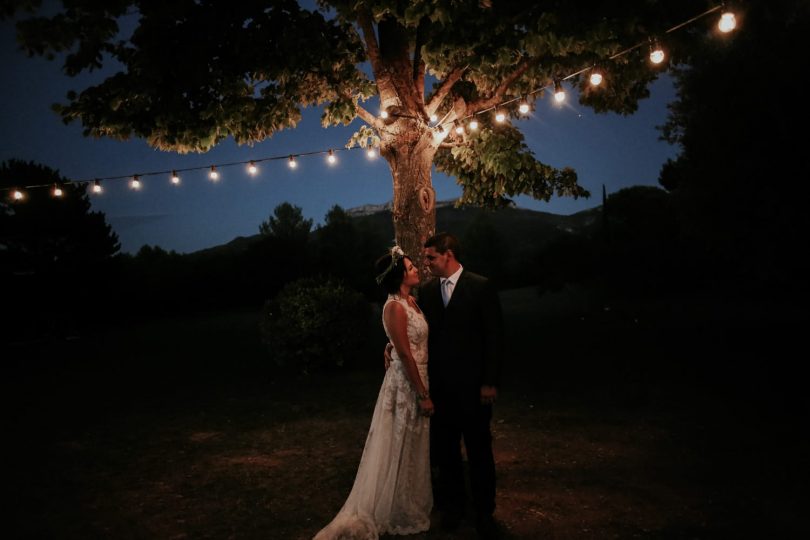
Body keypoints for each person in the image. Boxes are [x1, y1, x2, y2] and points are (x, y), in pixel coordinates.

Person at [313, 246, 434, 540]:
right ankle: (387, 506)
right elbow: (405, 354)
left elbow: (403, 341)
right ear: (398, 277)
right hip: (406, 384)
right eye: (409, 268)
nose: (416, 269)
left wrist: (390, 345)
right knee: (398, 442)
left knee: (413, 443)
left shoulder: (413, 302)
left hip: (420, 374)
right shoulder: (394, 306)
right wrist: (422, 394)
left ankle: (405, 501)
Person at [390, 232, 504, 538]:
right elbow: (410, 327)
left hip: (474, 389)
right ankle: (453, 509)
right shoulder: (426, 291)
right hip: (439, 389)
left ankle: (484, 513)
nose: (426, 264)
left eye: (431, 258)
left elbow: (494, 339)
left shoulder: (481, 287)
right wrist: (390, 347)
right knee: (446, 452)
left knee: (480, 451)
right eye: (425, 259)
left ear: (449, 255)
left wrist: (489, 382)